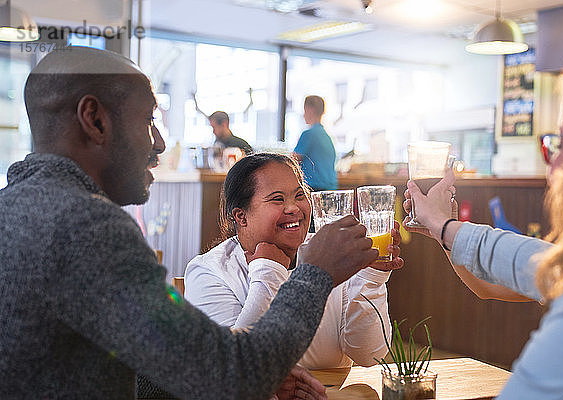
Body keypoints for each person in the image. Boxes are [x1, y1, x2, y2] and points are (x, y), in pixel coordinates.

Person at [0, 46, 381, 399]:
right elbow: (230, 378)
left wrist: (259, 373)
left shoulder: (16, 208)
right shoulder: (86, 227)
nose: (161, 143)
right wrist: (315, 273)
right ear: (94, 119)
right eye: (149, 120)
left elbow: (118, 363)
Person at [404, 50, 563, 399]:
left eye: (561, 140)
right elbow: (503, 273)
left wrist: (443, 226)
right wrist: (443, 229)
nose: (552, 167)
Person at [184, 152, 404, 369]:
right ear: (241, 216)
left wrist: (371, 277)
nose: (294, 208)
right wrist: (268, 271)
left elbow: (369, 355)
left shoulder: (330, 252)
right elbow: (234, 367)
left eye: (299, 196)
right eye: (277, 199)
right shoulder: (209, 271)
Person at [293, 95, 338, 192]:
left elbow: (292, 161)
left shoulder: (308, 135)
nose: (303, 115)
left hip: (315, 189)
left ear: (310, 110)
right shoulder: (326, 136)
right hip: (330, 188)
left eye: (304, 110)